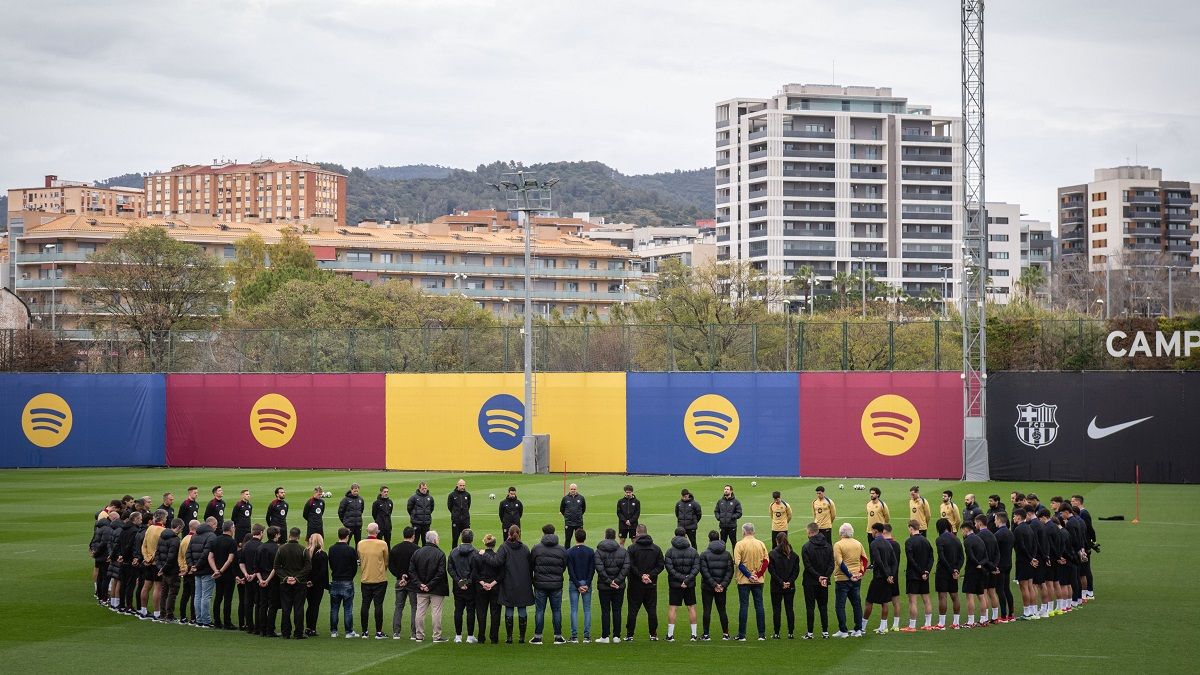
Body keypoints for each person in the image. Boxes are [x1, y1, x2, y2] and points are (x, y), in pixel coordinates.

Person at [491, 525, 534, 644]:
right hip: (523, 583)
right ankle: (521, 638)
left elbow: (496, 562)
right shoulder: (525, 548)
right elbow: (530, 567)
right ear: (519, 534)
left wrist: (485, 554)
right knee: (522, 608)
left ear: (508, 534)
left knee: (509, 608)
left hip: (508, 582)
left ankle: (509, 638)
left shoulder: (504, 547)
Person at [625, 523, 666, 641]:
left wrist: (641, 575)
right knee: (651, 609)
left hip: (635, 584)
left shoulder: (632, 548)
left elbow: (630, 565)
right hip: (651, 584)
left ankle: (630, 634)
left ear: (637, 533)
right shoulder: (656, 548)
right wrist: (650, 575)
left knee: (633, 609)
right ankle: (653, 634)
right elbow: (661, 565)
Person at [529, 523, 568, 644]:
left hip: (540, 584)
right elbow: (563, 566)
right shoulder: (561, 549)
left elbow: (532, 566)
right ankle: (557, 636)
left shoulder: (536, 548)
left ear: (543, 533)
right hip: (556, 584)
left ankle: (538, 636)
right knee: (556, 610)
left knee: (539, 610)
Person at [409, 529, 449, 642]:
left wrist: (420, 584)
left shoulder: (417, 552)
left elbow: (412, 571)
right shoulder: (440, 553)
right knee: (436, 612)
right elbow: (441, 573)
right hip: (436, 588)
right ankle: (436, 636)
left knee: (420, 612)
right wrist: (429, 585)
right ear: (435, 540)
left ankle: (419, 635)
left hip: (421, 588)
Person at [733, 522, 769, 641]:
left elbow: (738, 563)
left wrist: (749, 575)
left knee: (744, 606)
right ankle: (762, 634)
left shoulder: (740, 544)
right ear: (753, 531)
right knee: (759, 606)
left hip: (744, 581)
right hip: (758, 580)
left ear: (744, 532)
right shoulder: (761, 544)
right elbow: (766, 562)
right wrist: (757, 575)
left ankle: (742, 635)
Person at [593, 527, 630, 643]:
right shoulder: (623, 551)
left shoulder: (599, 551)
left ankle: (605, 636)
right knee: (617, 610)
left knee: (605, 610)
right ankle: (616, 636)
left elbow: (599, 568)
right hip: (619, 586)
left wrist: (609, 581)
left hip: (604, 586)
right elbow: (626, 567)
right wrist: (617, 581)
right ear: (615, 537)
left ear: (605, 536)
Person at [664, 526, 700, 642]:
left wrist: (681, 579)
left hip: (675, 584)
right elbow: (696, 567)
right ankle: (694, 635)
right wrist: (687, 579)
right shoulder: (693, 551)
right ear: (685, 535)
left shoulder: (670, 551)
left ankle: (670, 635)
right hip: (689, 584)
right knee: (691, 607)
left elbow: (670, 568)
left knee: (673, 608)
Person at [274, 527, 310, 639]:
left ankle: (286, 632)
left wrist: (286, 578)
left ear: (289, 535)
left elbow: (276, 567)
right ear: (299, 537)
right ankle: (298, 633)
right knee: (298, 608)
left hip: (285, 584)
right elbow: (308, 567)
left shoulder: (281, 549)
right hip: (300, 584)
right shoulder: (303, 550)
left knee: (286, 608)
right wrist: (297, 578)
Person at [799, 522, 833, 640]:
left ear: (810, 532)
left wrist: (818, 576)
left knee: (810, 607)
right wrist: (825, 576)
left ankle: (810, 632)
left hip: (810, 581)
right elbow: (831, 564)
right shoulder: (828, 546)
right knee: (823, 606)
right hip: (824, 581)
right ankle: (825, 632)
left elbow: (808, 566)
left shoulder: (806, 547)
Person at [831, 522, 865, 638]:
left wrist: (849, 575)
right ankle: (858, 629)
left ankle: (843, 630)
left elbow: (840, 562)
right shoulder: (858, 543)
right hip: (856, 578)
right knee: (856, 604)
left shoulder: (838, 545)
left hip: (842, 578)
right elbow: (864, 560)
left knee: (840, 605)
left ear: (841, 533)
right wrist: (860, 573)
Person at [358, 522, 391, 639]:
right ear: (377, 532)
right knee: (378, 605)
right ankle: (378, 632)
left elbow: (360, 560)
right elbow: (386, 561)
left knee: (365, 604)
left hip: (365, 578)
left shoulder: (360, 544)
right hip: (379, 579)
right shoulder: (382, 543)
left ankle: (364, 631)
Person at [699, 529, 733, 641]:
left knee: (707, 610)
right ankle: (726, 634)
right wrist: (722, 585)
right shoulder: (727, 554)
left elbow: (704, 571)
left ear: (709, 539)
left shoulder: (704, 554)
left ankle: (706, 634)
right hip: (721, 588)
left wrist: (714, 584)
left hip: (707, 587)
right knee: (722, 610)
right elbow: (729, 572)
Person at [863, 523, 896, 634]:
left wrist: (886, 575)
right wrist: (891, 575)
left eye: (872, 531)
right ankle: (882, 628)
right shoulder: (888, 543)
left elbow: (878, 561)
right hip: (887, 577)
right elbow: (894, 562)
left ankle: (862, 627)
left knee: (869, 602)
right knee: (884, 602)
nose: (871, 533)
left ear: (876, 531)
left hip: (879, 577)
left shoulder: (874, 543)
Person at [903, 519, 934, 631]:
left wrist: (921, 572)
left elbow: (911, 560)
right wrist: (926, 571)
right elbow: (931, 558)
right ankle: (928, 624)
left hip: (913, 575)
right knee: (926, 599)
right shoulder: (926, 541)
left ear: (911, 528)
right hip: (924, 575)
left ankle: (912, 626)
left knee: (913, 601)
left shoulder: (909, 542)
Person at [447, 528, 478, 643]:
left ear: (461, 538)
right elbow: (475, 571)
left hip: (458, 586)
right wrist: (467, 582)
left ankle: (458, 636)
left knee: (458, 610)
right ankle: (470, 636)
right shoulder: (475, 552)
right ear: (472, 539)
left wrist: (459, 582)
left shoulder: (454, 552)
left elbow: (450, 568)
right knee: (470, 610)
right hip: (470, 587)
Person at [388, 527, 418, 639]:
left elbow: (391, 566)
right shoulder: (416, 549)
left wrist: (400, 576)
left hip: (399, 581)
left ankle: (396, 632)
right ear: (413, 536)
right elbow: (417, 567)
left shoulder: (395, 548)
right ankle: (414, 633)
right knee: (414, 607)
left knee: (399, 606)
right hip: (412, 582)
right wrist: (408, 577)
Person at [328, 527, 359, 638]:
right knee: (348, 608)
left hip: (335, 580)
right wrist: (350, 577)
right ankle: (348, 631)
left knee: (334, 608)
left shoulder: (332, 549)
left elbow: (331, 564)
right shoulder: (350, 550)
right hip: (347, 581)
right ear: (347, 536)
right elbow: (354, 567)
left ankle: (333, 631)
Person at [186, 516, 217, 628]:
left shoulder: (194, 535)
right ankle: (206, 620)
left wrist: (192, 566)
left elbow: (188, 552)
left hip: (196, 570)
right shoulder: (211, 536)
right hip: (206, 570)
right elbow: (206, 554)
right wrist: (197, 565)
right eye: (215, 525)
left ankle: (199, 619)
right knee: (206, 596)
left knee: (198, 595)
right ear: (212, 525)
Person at [768, 532, 799, 639]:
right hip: (790, 586)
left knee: (776, 609)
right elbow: (796, 572)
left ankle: (776, 633)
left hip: (776, 586)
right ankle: (791, 632)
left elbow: (772, 571)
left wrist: (781, 582)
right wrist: (789, 582)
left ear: (776, 541)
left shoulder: (772, 554)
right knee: (789, 608)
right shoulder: (794, 555)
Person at [566, 528, 595, 643]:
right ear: (585, 538)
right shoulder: (590, 551)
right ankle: (587, 637)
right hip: (586, 582)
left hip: (575, 583)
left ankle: (574, 636)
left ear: (575, 537)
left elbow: (571, 571)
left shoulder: (570, 551)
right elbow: (592, 569)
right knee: (587, 610)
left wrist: (578, 585)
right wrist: (587, 584)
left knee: (574, 610)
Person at [473, 534, 502, 644]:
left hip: (481, 587)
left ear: (485, 543)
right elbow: (502, 574)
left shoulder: (477, 556)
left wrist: (483, 583)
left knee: (481, 612)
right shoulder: (497, 557)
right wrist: (492, 584)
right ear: (494, 545)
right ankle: (494, 638)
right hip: (495, 588)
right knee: (495, 613)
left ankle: (481, 637)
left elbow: (474, 573)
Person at [933, 517, 962, 629]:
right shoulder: (956, 539)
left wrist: (950, 570)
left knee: (942, 596)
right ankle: (956, 622)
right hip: (954, 571)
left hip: (943, 571)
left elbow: (942, 557)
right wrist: (956, 570)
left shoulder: (940, 539)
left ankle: (941, 623)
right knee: (954, 595)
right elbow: (961, 557)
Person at [961, 521, 991, 628]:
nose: (962, 533)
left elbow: (970, 556)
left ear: (966, 529)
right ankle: (984, 619)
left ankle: (970, 621)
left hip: (971, 570)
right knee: (981, 595)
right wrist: (981, 565)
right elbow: (986, 557)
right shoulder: (980, 539)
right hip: (981, 571)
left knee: (969, 596)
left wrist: (977, 564)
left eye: (962, 530)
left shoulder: (967, 541)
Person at [209, 520, 238, 629]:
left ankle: (217, 621)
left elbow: (210, 557)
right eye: (234, 527)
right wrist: (221, 571)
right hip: (228, 574)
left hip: (217, 574)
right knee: (227, 598)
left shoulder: (215, 540)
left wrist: (215, 570)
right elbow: (230, 560)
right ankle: (227, 622)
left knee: (218, 597)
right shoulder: (232, 542)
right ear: (230, 528)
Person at [154, 517, 184, 623]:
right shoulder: (175, 540)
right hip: (172, 570)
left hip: (164, 570)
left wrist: (160, 568)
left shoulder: (162, 537)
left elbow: (157, 553)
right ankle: (169, 615)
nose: (181, 532)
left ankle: (162, 614)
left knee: (164, 592)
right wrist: (164, 568)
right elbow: (171, 558)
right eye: (181, 529)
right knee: (172, 593)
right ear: (179, 527)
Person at [139, 510, 166, 620]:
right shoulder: (163, 531)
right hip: (156, 563)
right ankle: (157, 613)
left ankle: (143, 611)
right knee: (158, 588)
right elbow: (159, 548)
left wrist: (146, 558)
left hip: (148, 562)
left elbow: (143, 545)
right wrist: (151, 558)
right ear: (163, 518)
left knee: (146, 586)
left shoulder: (149, 528)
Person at [255, 526, 282, 637]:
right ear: (275, 535)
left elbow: (256, 567)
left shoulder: (260, 547)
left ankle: (262, 629)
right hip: (273, 580)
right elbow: (276, 567)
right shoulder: (277, 549)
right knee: (272, 606)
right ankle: (270, 629)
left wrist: (261, 580)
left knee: (263, 605)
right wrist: (267, 580)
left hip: (261, 580)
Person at [974, 514, 999, 625]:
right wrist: (995, 566)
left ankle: (984, 619)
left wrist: (989, 566)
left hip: (984, 569)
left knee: (983, 594)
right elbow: (997, 553)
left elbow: (982, 556)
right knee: (992, 592)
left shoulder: (979, 537)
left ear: (979, 523)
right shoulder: (993, 535)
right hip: (993, 567)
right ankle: (995, 617)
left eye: (975, 523)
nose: (975, 525)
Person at [1012, 508, 1037, 620]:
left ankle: (1027, 613)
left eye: (1014, 516)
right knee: (1030, 586)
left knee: (1024, 587)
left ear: (1018, 517)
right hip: (1031, 560)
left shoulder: (1018, 530)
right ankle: (1033, 611)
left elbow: (1021, 546)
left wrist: (1030, 558)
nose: (1013, 518)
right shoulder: (1029, 528)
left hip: (1023, 561)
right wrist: (1033, 558)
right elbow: (1035, 544)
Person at [239, 524, 264, 632]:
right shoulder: (261, 546)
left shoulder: (246, 546)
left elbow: (241, 562)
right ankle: (257, 627)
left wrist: (246, 574)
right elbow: (260, 564)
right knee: (258, 603)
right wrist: (254, 574)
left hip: (248, 578)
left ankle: (249, 626)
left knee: (248, 602)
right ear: (261, 533)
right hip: (257, 578)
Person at [993, 511, 1015, 622]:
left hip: (1000, 565)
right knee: (1007, 589)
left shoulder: (998, 534)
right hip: (1008, 563)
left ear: (1000, 520)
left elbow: (995, 552)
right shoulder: (1010, 533)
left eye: (995, 519)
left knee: (1000, 590)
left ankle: (1003, 615)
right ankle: (1011, 614)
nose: (994, 521)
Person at [305, 532, 328, 637]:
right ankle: (312, 628)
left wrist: (308, 580)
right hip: (317, 584)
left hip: (306, 583)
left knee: (310, 606)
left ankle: (308, 627)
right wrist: (314, 581)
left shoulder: (306, 552)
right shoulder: (322, 554)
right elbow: (323, 572)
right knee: (315, 606)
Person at [176, 520, 197, 624]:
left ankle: (183, 616)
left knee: (185, 594)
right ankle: (193, 617)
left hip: (185, 570)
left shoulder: (184, 538)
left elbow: (180, 556)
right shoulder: (194, 539)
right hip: (191, 571)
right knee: (194, 595)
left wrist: (182, 568)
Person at [884, 524, 902, 631]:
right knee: (896, 601)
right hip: (894, 575)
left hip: (885, 576)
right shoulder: (897, 544)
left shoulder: (883, 544)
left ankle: (884, 626)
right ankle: (896, 625)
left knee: (884, 601)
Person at [714, 485, 743, 549]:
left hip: (732, 526)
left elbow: (739, 513)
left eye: (727, 489)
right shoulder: (720, 501)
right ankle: (722, 558)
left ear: (731, 491)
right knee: (722, 543)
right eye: (725, 489)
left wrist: (732, 517)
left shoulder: (736, 502)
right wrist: (719, 517)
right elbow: (716, 511)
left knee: (734, 542)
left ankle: (735, 558)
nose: (726, 491)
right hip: (722, 525)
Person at [407, 482, 435, 547]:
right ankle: (414, 555)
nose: (424, 490)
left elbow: (431, 508)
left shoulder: (430, 498)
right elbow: (409, 508)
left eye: (425, 488)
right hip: (416, 523)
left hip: (426, 523)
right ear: (419, 489)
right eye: (423, 488)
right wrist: (415, 516)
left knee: (425, 541)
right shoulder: (413, 497)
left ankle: (424, 555)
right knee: (415, 540)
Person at [447, 480, 472, 548]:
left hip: (465, 520)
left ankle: (467, 553)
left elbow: (468, 506)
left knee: (467, 539)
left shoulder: (467, 495)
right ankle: (454, 554)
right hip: (456, 520)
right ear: (457, 485)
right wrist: (455, 514)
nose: (462, 487)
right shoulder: (452, 495)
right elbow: (450, 507)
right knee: (455, 539)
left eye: (463, 485)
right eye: (461, 485)